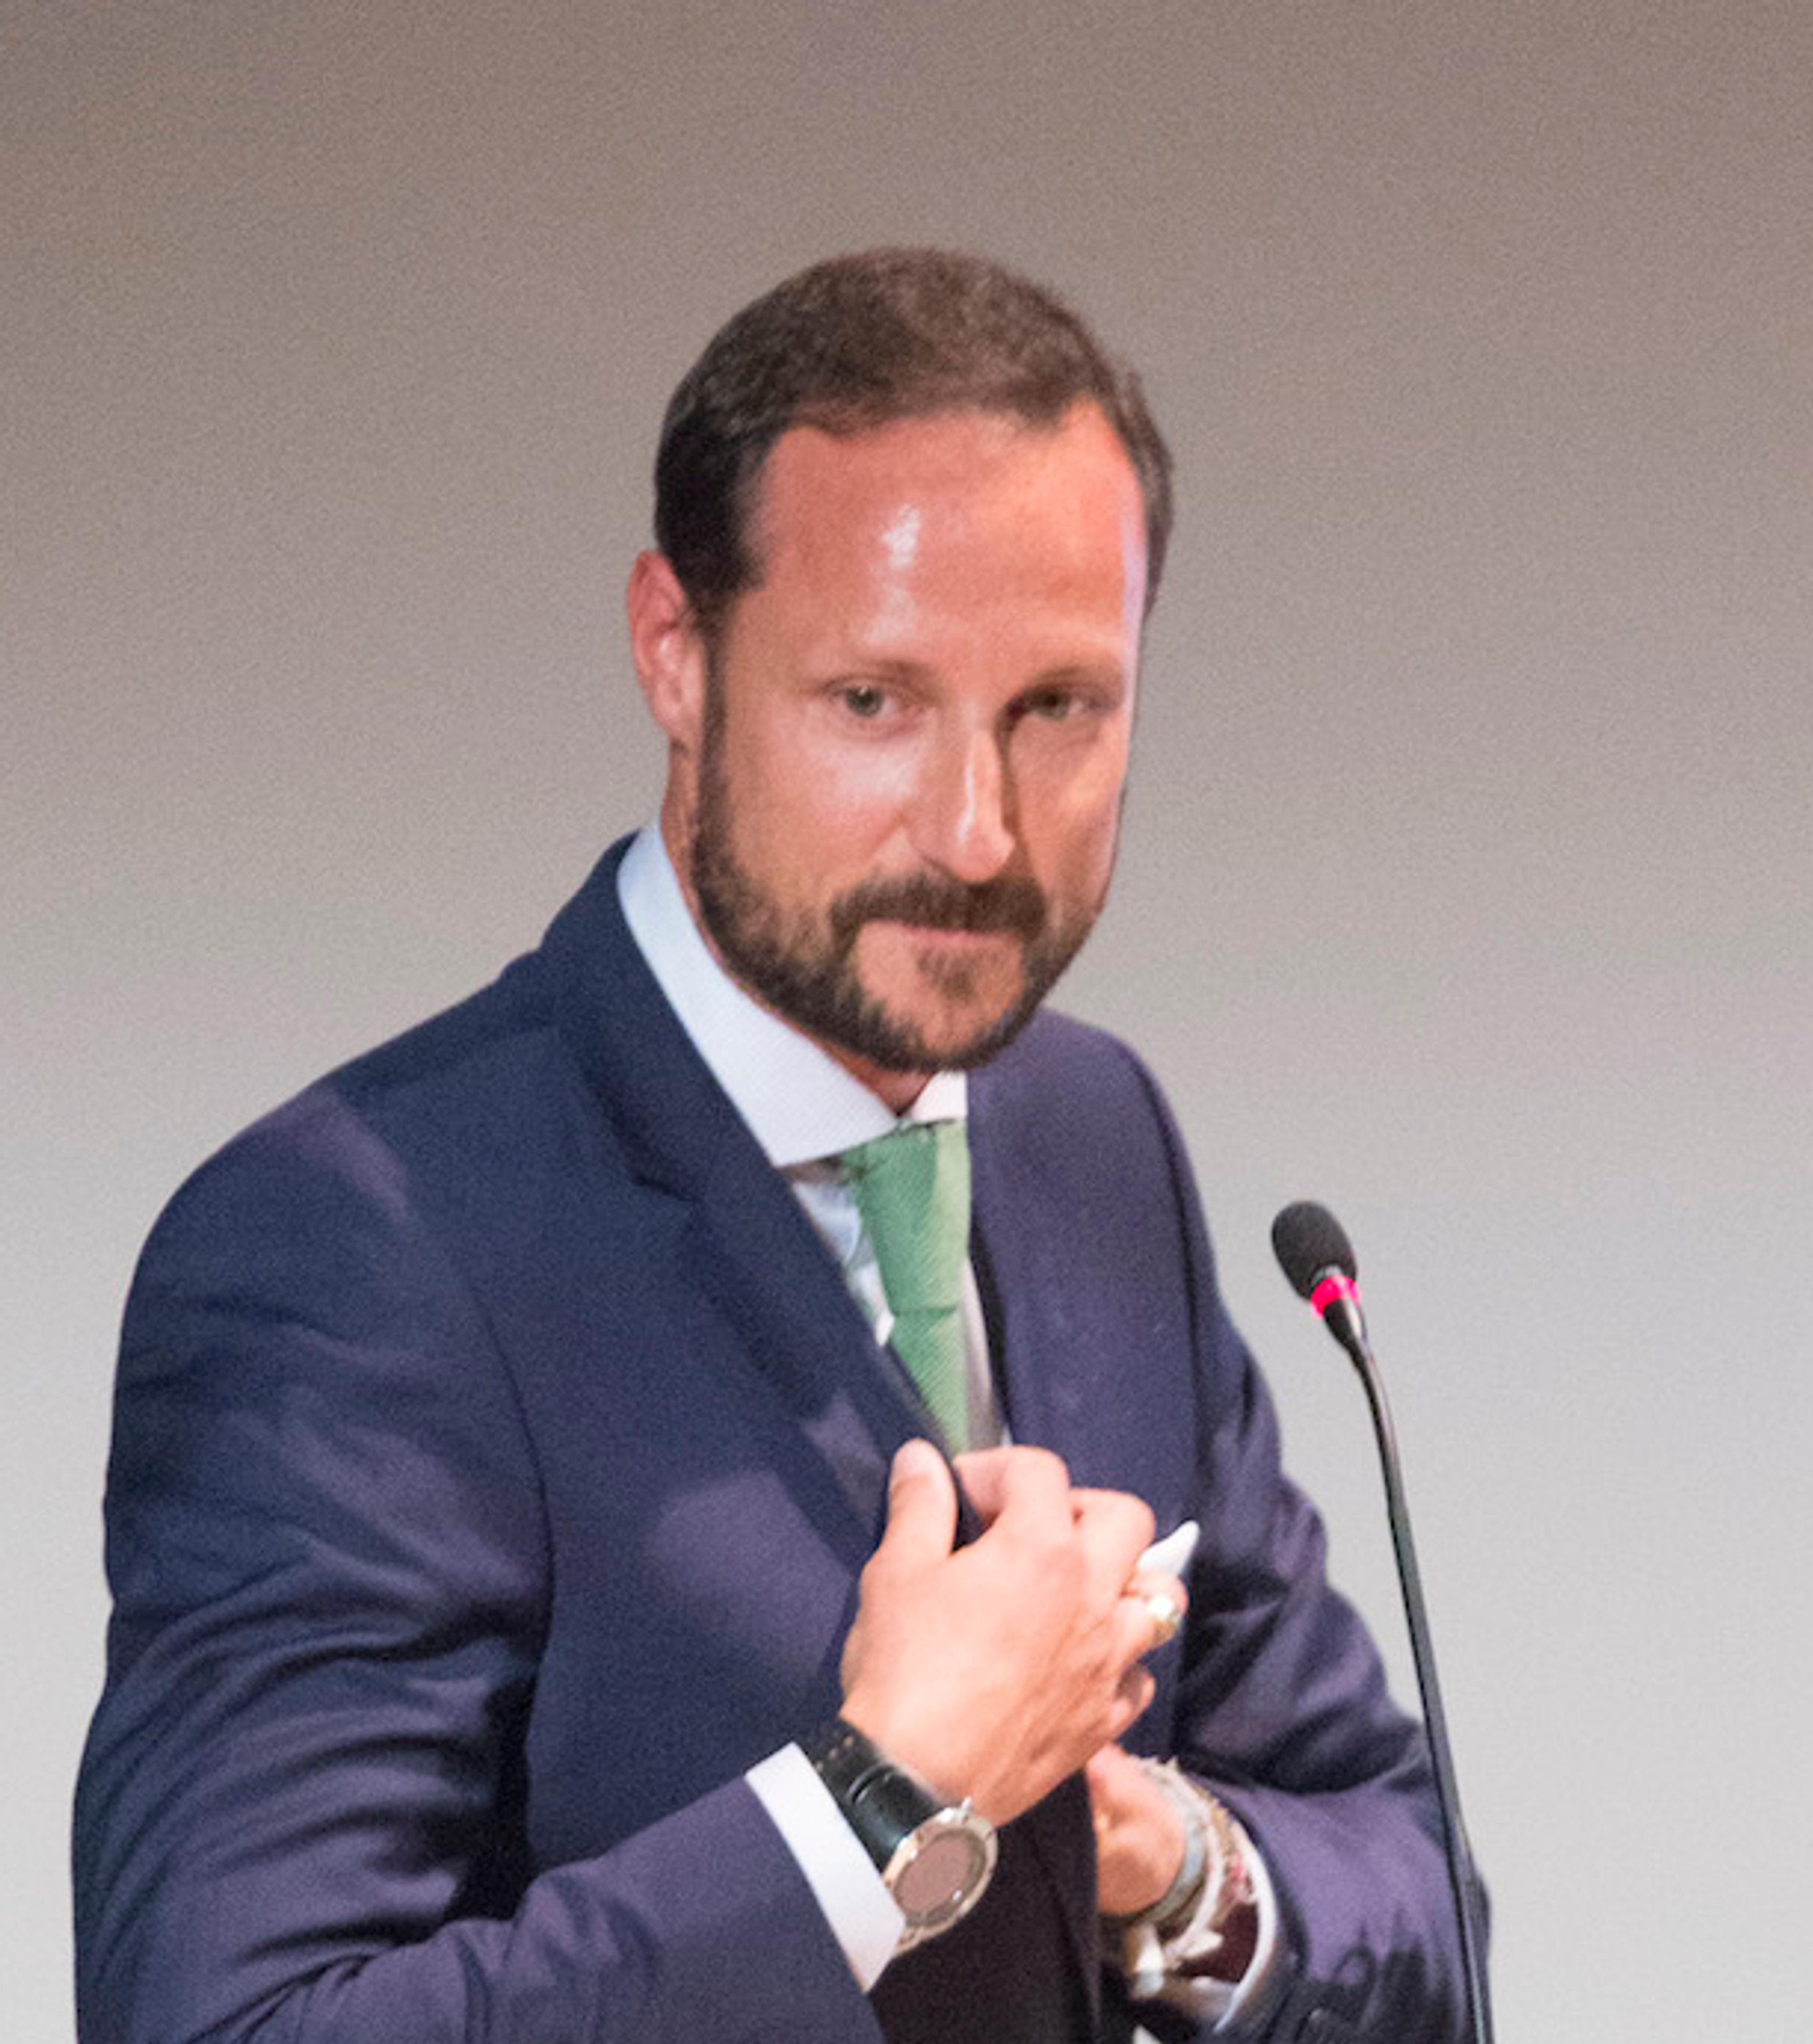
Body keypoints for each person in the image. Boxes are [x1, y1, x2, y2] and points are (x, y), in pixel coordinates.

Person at [74, 250, 1483, 2043]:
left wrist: (1155, 1856)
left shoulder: (1095, 1140)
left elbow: (1411, 1895)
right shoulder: (355, 1245)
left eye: (1059, 707)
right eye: (875, 702)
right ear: (676, 652)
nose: (977, 833)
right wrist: (881, 1803)